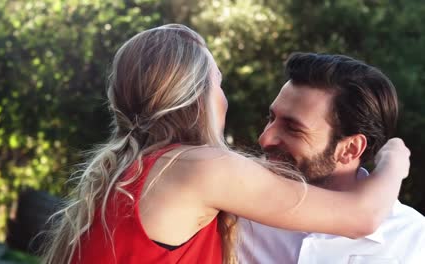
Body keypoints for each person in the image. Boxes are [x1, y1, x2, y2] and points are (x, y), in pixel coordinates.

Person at [41, 25, 410, 264]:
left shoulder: (131, 173)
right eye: (219, 84)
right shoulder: (201, 171)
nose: (265, 138)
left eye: (293, 127)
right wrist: (394, 158)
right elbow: (363, 216)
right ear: (197, 97)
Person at [238, 53, 425, 264]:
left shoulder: (413, 240)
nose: (265, 138)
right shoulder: (235, 210)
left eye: (293, 128)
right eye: (270, 118)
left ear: (350, 149)